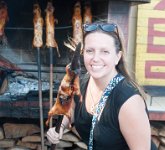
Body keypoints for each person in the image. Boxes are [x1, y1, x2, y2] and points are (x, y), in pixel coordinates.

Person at [47, 22, 156, 150]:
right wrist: (59, 128)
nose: (95, 58)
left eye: (105, 51)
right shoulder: (81, 83)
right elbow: (71, 110)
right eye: (90, 51)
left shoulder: (129, 102)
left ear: (117, 57)